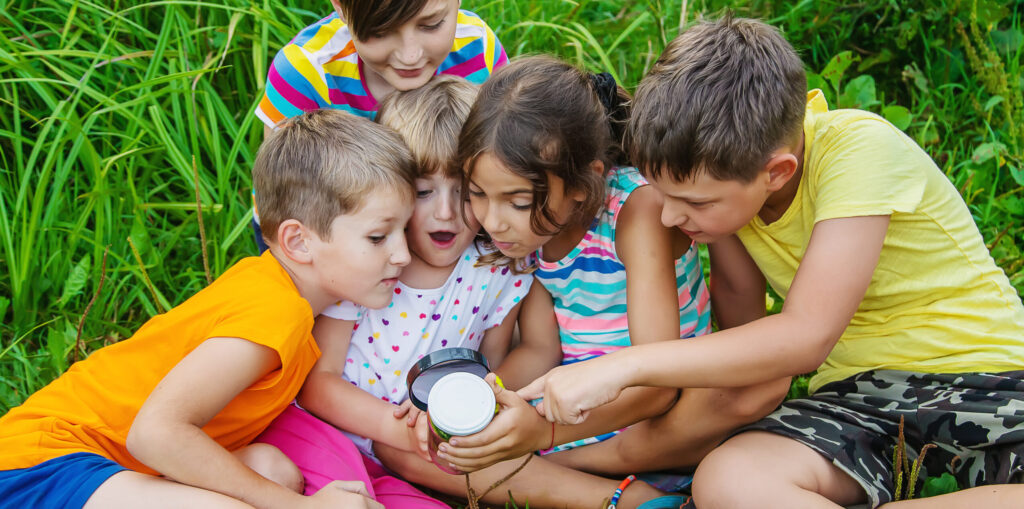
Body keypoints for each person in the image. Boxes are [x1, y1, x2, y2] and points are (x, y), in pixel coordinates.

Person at [521, 16, 1024, 509]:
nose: (672, 215)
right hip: (856, 402)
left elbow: (806, 336)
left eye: (694, 203)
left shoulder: (859, 149)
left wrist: (624, 366)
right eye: (664, 194)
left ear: (777, 173)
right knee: (727, 479)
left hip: (983, 379)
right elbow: (742, 310)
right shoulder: (732, 193)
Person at [377, 56, 781, 509]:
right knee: (405, 448)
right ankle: (614, 490)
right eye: (478, 194)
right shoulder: (529, 233)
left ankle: (575, 472)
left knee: (736, 394)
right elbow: (541, 350)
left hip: (660, 413)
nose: (492, 220)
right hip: (575, 408)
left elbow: (656, 384)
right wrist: (478, 399)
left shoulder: (636, 213)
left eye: (516, 200)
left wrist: (541, 433)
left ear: (583, 185)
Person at [0, 109, 417, 509]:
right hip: (41, 465)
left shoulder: (280, 293)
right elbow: (155, 434)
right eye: (379, 237)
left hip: (116, 468)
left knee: (272, 471)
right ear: (298, 242)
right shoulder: (275, 311)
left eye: (405, 229)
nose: (402, 253)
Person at [254, 75, 533, 508]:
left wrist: (470, 411)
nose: (445, 211)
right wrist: (399, 427)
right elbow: (317, 383)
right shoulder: (366, 266)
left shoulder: (493, 269)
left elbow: (491, 364)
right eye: (423, 191)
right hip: (336, 436)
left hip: (423, 450)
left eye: (466, 192)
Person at [251, 0, 508, 252]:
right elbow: (284, 202)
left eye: (431, 25)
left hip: (455, 224)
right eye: (381, 31)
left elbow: (508, 160)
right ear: (340, 7)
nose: (410, 55)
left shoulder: (477, 47)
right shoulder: (306, 72)